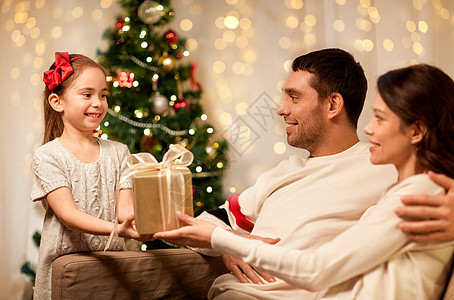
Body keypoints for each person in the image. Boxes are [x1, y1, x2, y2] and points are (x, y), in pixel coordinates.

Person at [155, 63, 454, 299]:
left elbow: (318, 269)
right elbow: (213, 218)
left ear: (333, 105)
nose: (280, 108)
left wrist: (216, 237)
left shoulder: (393, 173)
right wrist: (229, 244)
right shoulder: (281, 173)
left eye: (294, 96)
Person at [31, 52, 145, 300]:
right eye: (87, 94)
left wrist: (141, 222)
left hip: (113, 265)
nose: (98, 103)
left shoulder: (119, 152)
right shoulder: (47, 156)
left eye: (103, 95)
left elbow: (125, 211)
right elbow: (70, 217)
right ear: (57, 102)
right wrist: (119, 230)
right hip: (65, 269)